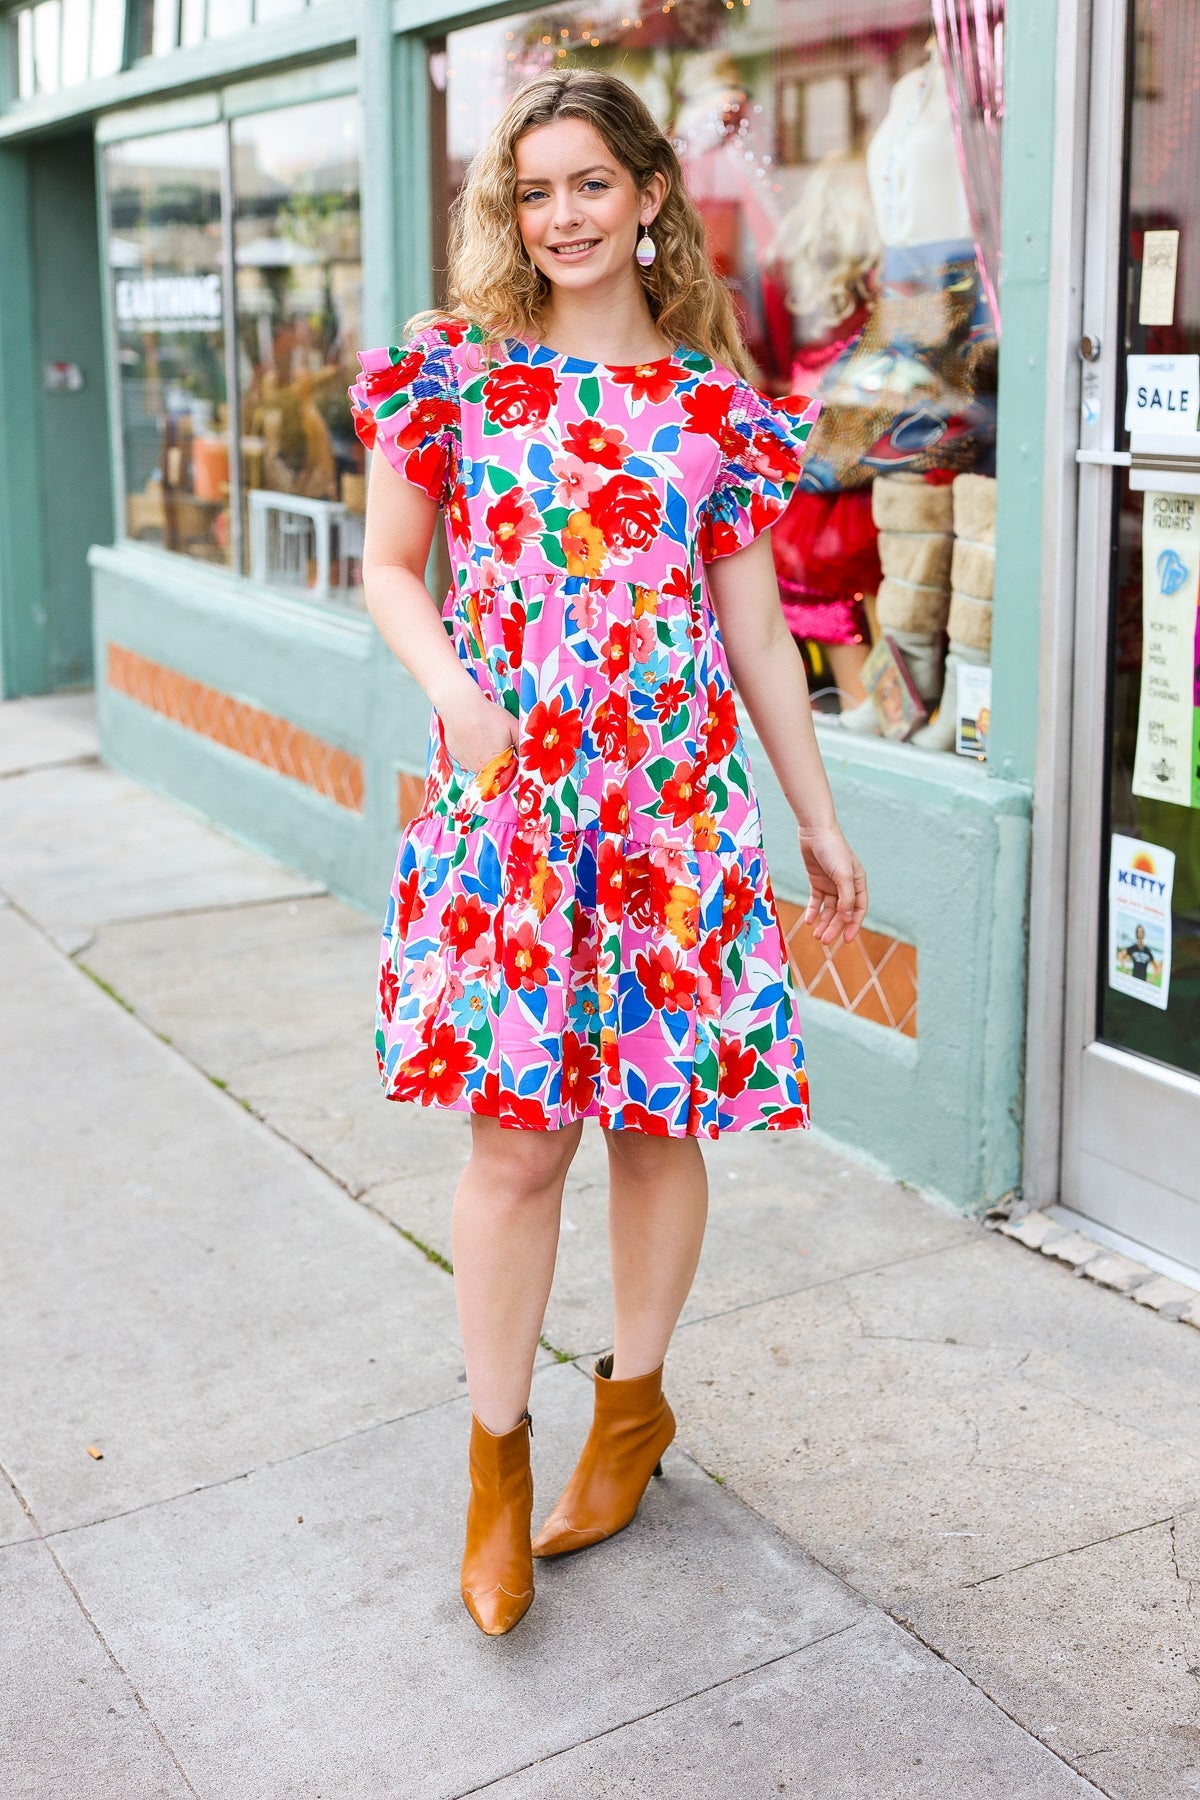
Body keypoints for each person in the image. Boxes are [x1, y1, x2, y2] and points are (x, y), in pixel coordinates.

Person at [353, 69, 867, 1639]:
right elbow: (388, 569)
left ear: (652, 194)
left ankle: (630, 1412)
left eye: (590, 184)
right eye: (533, 191)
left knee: (658, 1122)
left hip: (674, 812)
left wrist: (818, 812)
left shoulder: (720, 410)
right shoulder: (452, 378)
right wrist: (457, 695)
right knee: (515, 1144)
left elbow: (759, 629)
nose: (561, 217)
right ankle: (495, 1461)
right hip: (513, 810)